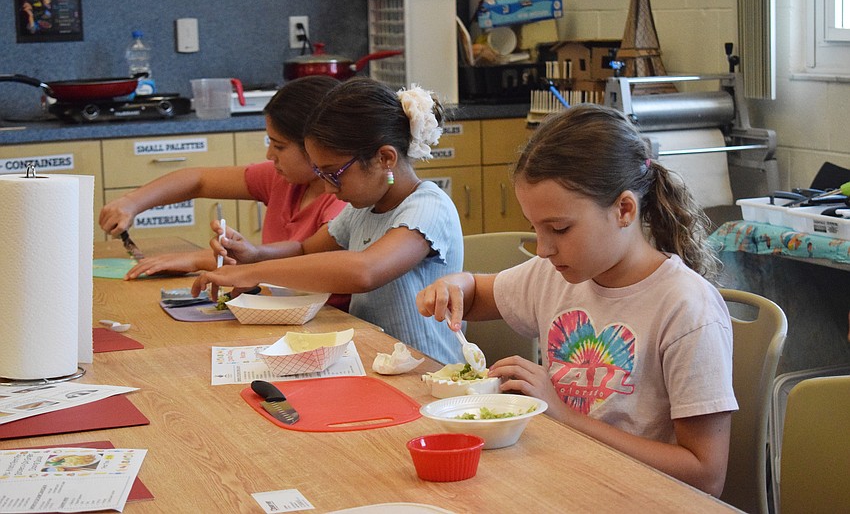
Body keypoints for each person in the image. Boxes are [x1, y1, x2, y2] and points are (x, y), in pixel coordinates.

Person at [416, 104, 737, 496]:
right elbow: (479, 294)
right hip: (564, 482)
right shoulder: (557, 273)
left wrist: (562, 414)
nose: (545, 249)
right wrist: (455, 284)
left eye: (559, 228)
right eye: (535, 228)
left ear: (623, 210)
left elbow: (705, 475)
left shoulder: (686, 309)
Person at [191, 78, 465, 364]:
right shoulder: (364, 206)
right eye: (320, 175)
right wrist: (254, 254)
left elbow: (365, 271)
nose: (328, 189)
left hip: (429, 370)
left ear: (385, 158)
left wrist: (255, 272)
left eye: (333, 174)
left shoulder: (428, 207)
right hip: (377, 359)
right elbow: (305, 250)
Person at [99, 76, 347, 282]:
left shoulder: (343, 199)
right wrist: (132, 202)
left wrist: (201, 259)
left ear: (316, 146)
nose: (269, 155)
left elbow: (307, 262)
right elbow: (198, 179)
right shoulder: (282, 179)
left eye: (279, 146)